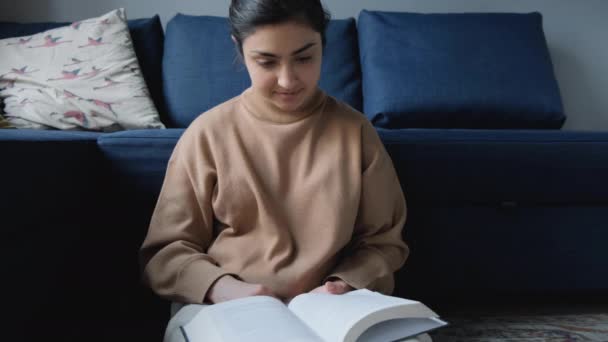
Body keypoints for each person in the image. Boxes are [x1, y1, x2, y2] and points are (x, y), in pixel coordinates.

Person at [139, 0, 426, 341]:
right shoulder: (207, 133)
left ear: (324, 44)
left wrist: (344, 284)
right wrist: (224, 288)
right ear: (239, 49)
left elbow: (384, 242)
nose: (288, 80)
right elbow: (166, 252)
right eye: (267, 61)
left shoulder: (356, 132)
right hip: (227, 307)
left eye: (305, 58)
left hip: (333, 309)